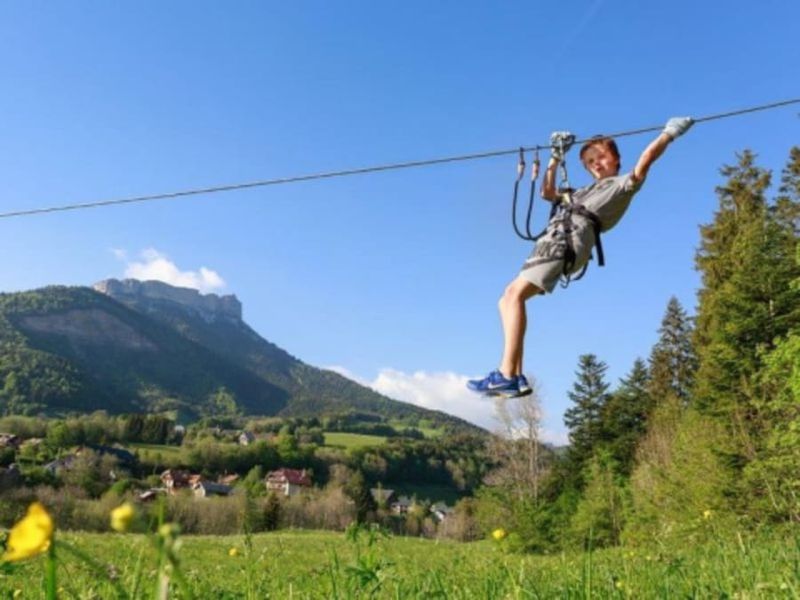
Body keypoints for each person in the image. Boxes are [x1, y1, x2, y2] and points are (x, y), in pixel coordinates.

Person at [467, 116, 694, 398]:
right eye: (589, 162)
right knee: (507, 299)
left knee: (514, 295)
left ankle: (506, 375)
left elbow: (646, 160)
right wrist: (554, 158)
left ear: (616, 159)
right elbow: (547, 192)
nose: (596, 164)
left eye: (601, 157)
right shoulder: (582, 191)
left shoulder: (622, 184)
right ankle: (515, 375)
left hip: (568, 242)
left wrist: (669, 134)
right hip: (553, 241)